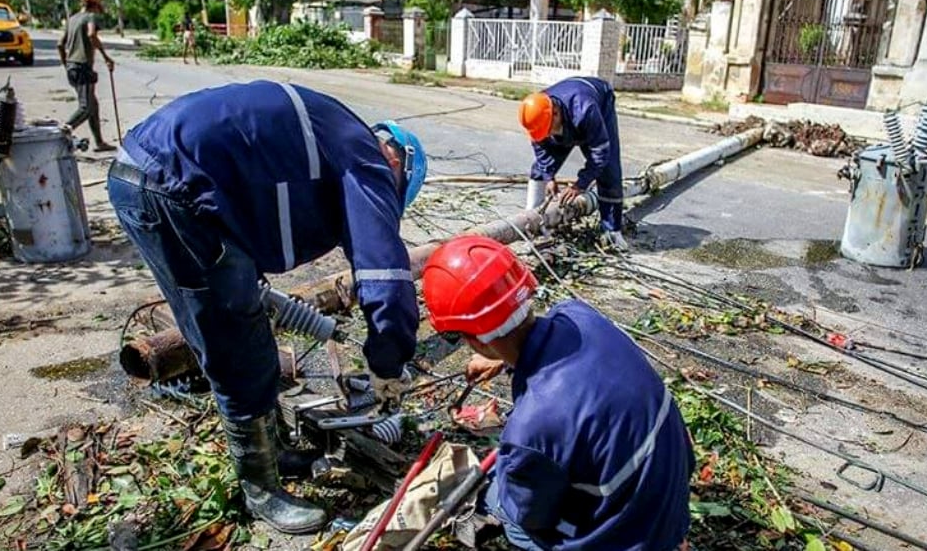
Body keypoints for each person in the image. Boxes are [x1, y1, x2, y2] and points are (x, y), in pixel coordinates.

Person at [107, 80, 428, 534]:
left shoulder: (334, 135)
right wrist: (388, 362)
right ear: (398, 163)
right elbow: (384, 272)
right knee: (236, 341)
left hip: (149, 174)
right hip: (173, 185)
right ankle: (260, 491)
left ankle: (270, 452)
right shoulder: (369, 156)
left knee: (237, 325)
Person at [421, 235, 694, 551]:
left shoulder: (531, 426)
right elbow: (568, 363)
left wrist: (512, 472)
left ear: (478, 340)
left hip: (635, 539)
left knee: (501, 500)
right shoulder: (578, 315)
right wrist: (506, 361)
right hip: (671, 498)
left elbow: (530, 514)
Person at [519, 77, 627, 250]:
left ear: (555, 113)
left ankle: (612, 231)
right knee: (540, 167)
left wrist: (580, 185)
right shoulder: (537, 113)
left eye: (548, 130)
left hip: (598, 100)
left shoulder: (586, 110)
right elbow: (541, 150)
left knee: (608, 170)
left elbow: (600, 153)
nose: (547, 135)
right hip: (567, 113)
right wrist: (549, 177)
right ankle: (531, 219)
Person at [58, 0, 115, 151]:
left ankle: (99, 142)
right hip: (82, 67)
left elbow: (60, 44)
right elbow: (91, 34)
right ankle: (61, 133)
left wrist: (66, 64)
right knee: (86, 108)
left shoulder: (72, 19)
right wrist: (106, 57)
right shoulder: (90, 17)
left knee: (93, 105)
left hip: (72, 67)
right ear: (94, 6)